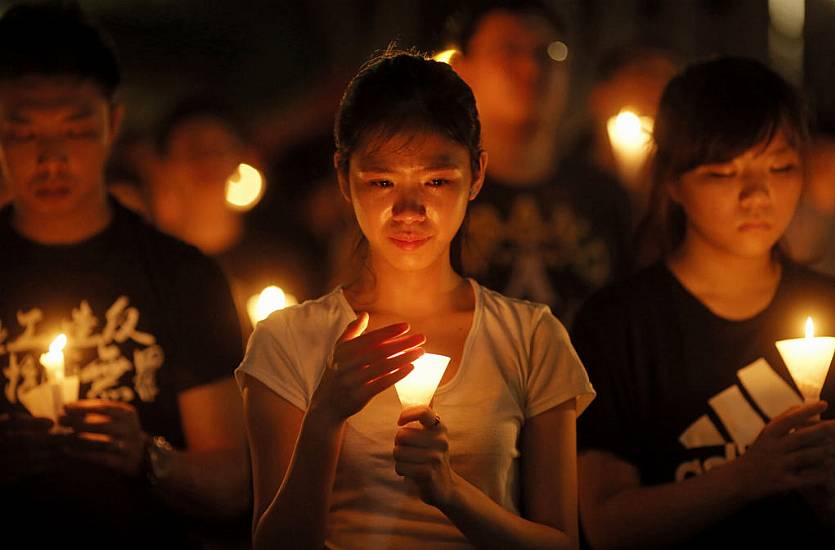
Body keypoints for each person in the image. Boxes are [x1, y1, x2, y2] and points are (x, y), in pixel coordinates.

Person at [237, 50, 595, 549]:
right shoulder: (289, 340)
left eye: (436, 181)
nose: (409, 210)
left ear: (477, 175)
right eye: (382, 181)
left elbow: (563, 543)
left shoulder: (531, 337)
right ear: (344, 177)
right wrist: (325, 417)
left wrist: (450, 492)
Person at [0, 3, 249, 546]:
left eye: (74, 128)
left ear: (112, 123)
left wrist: (146, 457)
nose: (51, 158)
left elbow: (233, 483)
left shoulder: (182, 275)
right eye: (23, 132)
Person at [573, 57, 835, 548]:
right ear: (672, 181)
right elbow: (606, 524)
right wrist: (747, 477)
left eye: (780, 167)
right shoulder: (618, 325)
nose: (757, 194)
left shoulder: (828, 305)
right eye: (723, 173)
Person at [447, 0, 633, 325]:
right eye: (508, 51)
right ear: (463, 69)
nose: (531, 69)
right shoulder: (439, 194)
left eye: (549, 52)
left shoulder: (605, 198)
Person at [151, 97, 314, 336]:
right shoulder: (152, 268)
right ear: (163, 165)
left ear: (242, 158)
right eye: (193, 149)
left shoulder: (282, 259)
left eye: (218, 148)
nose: (207, 160)